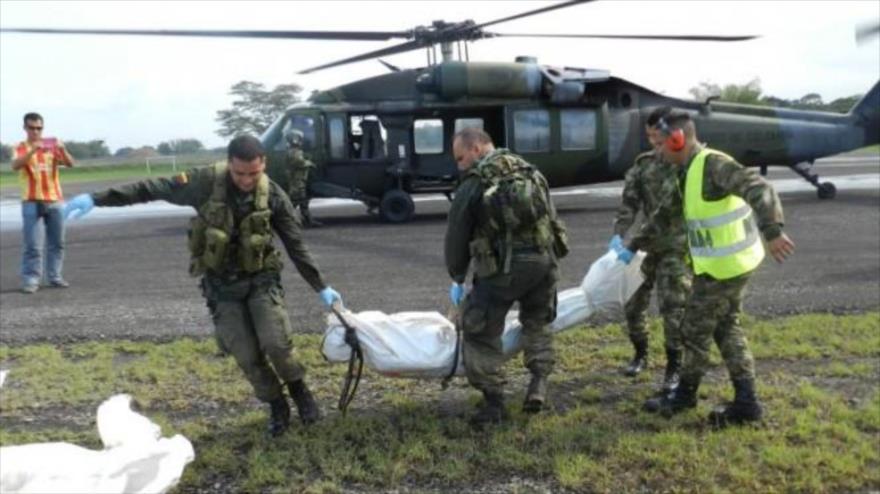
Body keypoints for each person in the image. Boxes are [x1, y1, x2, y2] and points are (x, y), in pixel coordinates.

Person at [64, 135, 344, 437]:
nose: (247, 180)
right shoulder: (203, 183)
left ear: (263, 165)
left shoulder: (275, 196)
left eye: (254, 173)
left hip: (261, 281)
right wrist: (97, 198)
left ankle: (300, 392)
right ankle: (276, 405)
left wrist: (321, 286)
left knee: (277, 344)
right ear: (229, 165)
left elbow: (295, 245)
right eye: (239, 174)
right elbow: (151, 188)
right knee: (247, 356)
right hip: (221, 286)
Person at [621, 110, 795, 427]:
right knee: (725, 327)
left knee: (693, 330)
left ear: (677, 140)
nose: (656, 152)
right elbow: (664, 213)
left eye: (661, 145)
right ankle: (746, 402)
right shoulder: (686, 171)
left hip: (726, 267)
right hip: (722, 263)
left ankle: (685, 396)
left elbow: (759, 187)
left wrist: (773, 231)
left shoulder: (712, 165)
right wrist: (632, 246)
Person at [445, 128, 569, 427]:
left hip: (504, 271)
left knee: (479, 330)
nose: (459, 164)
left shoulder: (476, 182)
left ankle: (494, 402)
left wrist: (457, 277)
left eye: (461, 157)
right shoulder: (530, 172)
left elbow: (457, 234)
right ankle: (538, 385)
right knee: (537, 323)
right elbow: (551, 217)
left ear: (476, 148)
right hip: (544, 263)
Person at [609, 106, 690, 393]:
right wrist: (619, 234)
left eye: (659, 139)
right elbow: (629, 203)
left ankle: (674, 367)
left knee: (673, 309)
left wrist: (633, 242)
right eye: (651, 139)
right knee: (633, 304)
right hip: (645, 246)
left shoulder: (685, 165)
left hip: (675, 248)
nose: (655, 146)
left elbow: (666, 211)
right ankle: (640, 353)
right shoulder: (643, 165)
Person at [12, 112, 75, 294]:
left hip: (54, 199)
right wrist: (33, 150)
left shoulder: (52, 146)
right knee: (32, 244)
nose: (36, 132)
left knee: (57, 242)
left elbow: (70, 164)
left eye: (39, 128)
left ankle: (54, 276)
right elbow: (15, 165)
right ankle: (31, 279)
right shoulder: (20, 147)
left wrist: (62, 149)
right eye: (32, 128)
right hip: (31, 201)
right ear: (25, 128)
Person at [284, 129, 320, 227]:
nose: (300, 140)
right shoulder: (293, 151)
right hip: (297, 181)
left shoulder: (294, 151)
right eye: (299, 138)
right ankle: (285, 222)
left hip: (299, 180)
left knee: (303, 201)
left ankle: (307, 220)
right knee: (294, 202)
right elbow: (298, 162)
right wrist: (309, 163)